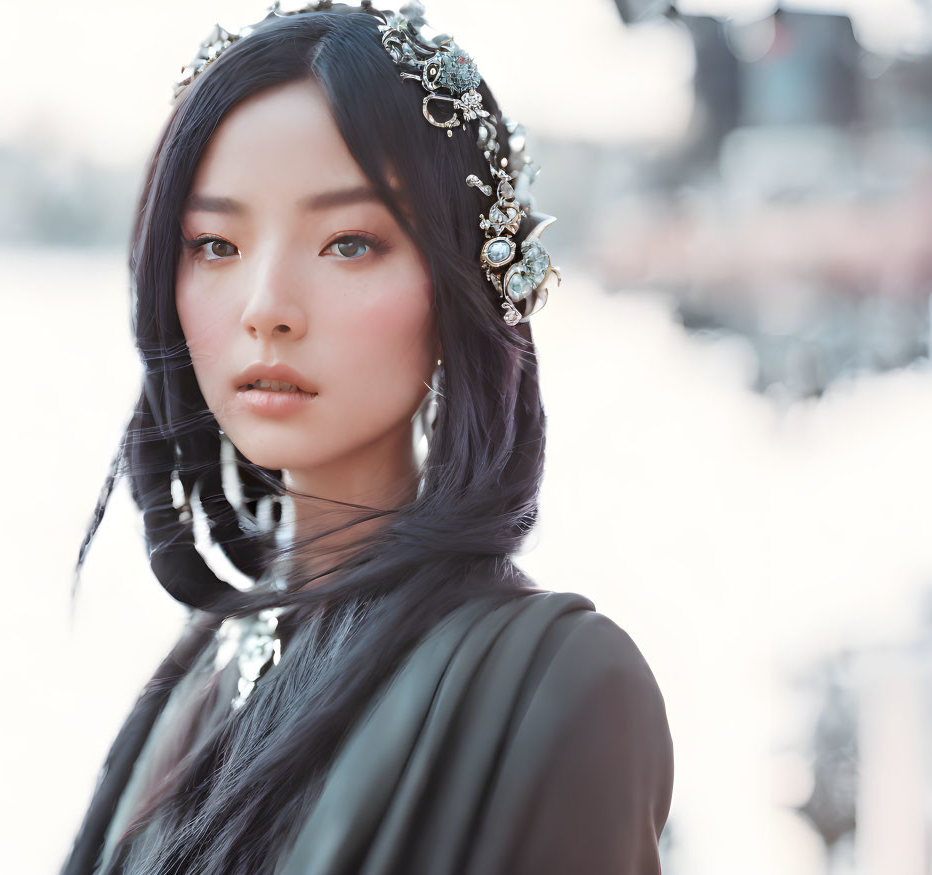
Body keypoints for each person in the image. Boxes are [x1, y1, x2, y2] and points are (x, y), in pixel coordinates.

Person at [60, 2, 674, 873]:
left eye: (349, 243)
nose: (265, 306)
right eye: (215, 243)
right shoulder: (207, 658)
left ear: (459, 281)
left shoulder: (557, 685)